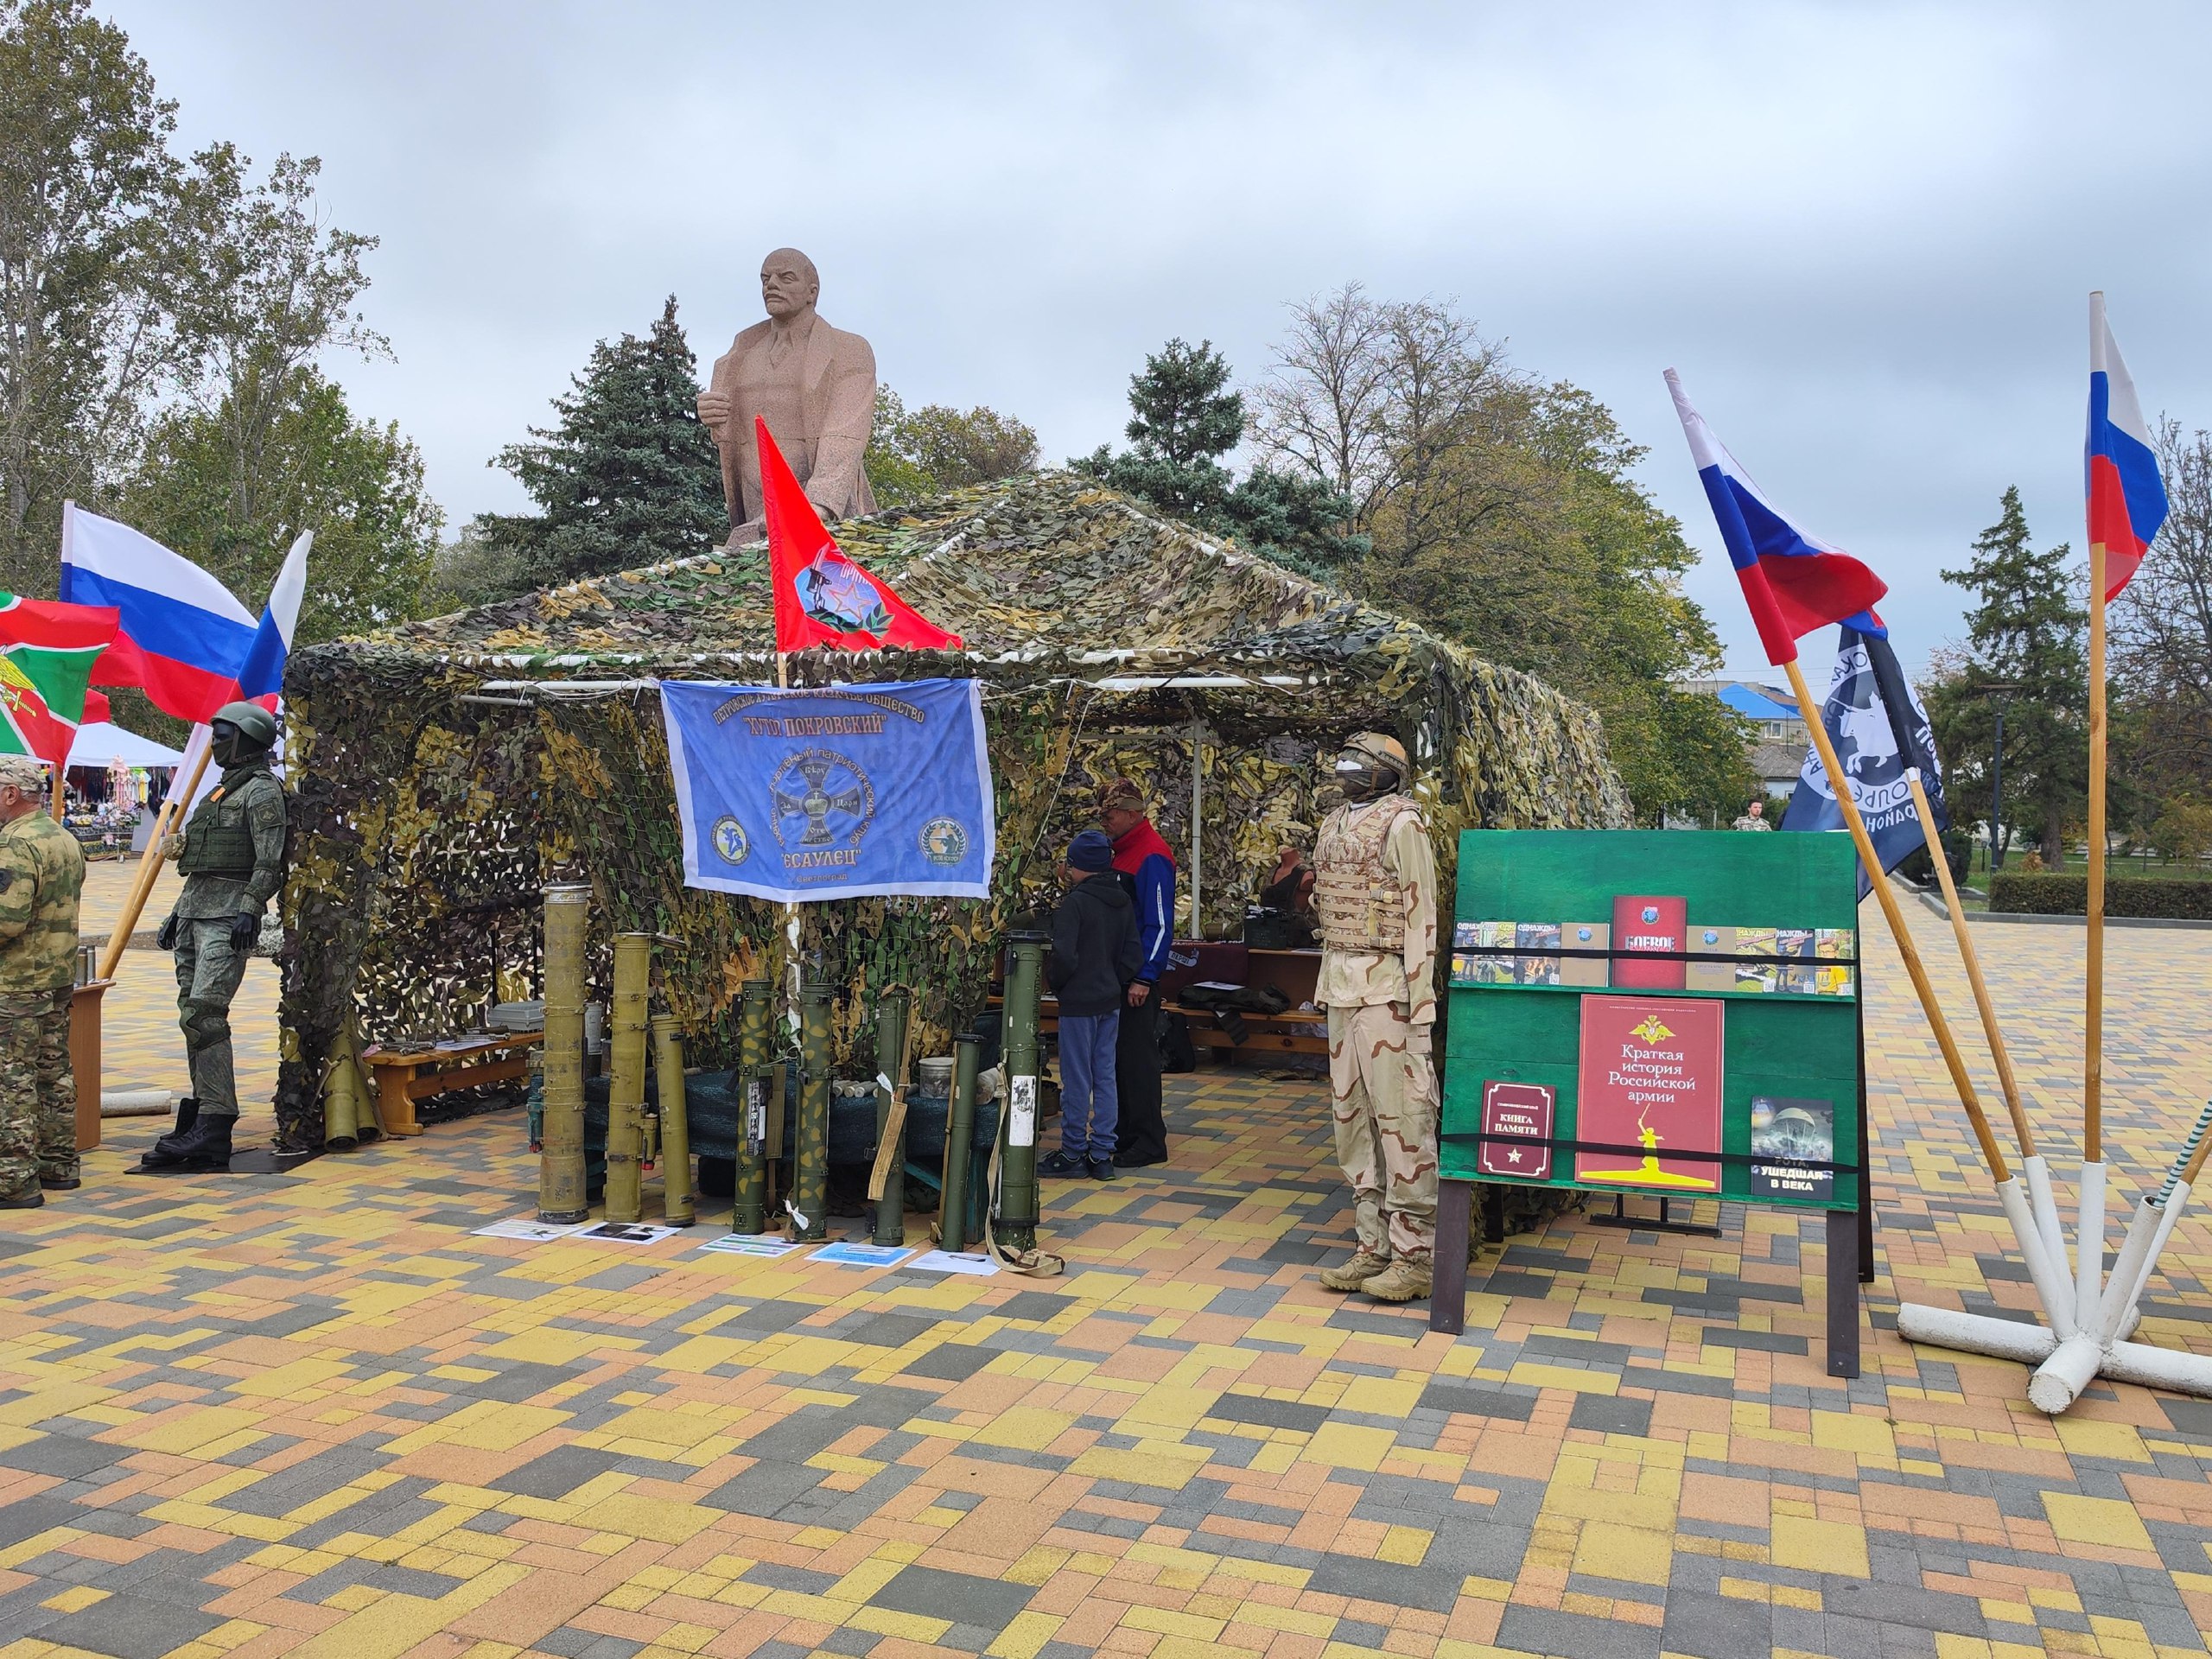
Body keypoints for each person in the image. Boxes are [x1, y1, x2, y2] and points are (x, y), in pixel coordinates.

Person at [1312, 732, 1440, 1303]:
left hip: (1389, 992)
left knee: (1402, 1119)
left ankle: (1416, 1256)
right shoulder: (1335, 822)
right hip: (1342, 988)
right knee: (1353, 1121)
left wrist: (1420, 1000)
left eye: (1359, 762)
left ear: (1387, 772)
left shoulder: (1403, 824)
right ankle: (1373, 1246)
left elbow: (1421, 911)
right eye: (1345, 761)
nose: (1348, 770)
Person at [141, 702, 286, 1174]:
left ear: (247, 739)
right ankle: (203, 1110)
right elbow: (203, 860)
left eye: (223, 737)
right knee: (191, 1015)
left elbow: (270, 859)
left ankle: (217, 1120)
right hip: (195, 911)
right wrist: (176, 912)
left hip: (228, 916)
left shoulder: (262, 793)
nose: (216, 745)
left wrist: (251, 909)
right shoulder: (222, 790)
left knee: (205, 1014)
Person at [696, 248, 879, 542]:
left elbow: (846, 433)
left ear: (812, 292)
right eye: (765, 278)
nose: (771, 285)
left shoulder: (849, 350)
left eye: (785, 278)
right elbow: (732, 434)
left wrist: (816, 504)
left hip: (822, 514)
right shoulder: (740, 353)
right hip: (756, 513)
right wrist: (716, 416)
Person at [0, 757, 86, 1209]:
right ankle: (58, 1164)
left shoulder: (14, 844)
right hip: (55, 976)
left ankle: (14, 1182)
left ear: (11, 794)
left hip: (15, 983)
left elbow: (5, 921)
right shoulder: (62, 837)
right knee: (53, 1071)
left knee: (10, 1079)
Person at [1041, 830, 1140, 1181]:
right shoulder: (1123, 900)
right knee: (1105, 1075)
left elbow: (1064, 956)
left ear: (1077, 866)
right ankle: (1102, 1155)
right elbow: (1132, 954)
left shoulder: (1075, 903)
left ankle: (1072, 1152)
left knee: (1077, 1077)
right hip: (1109, 999)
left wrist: (1059, 984)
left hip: (1079, 1001)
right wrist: (1112, 980)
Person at [1099, 777, 1176, 1167]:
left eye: (1110, 814)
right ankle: (1128, 1136)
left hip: (1135, 979)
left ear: (1133, 813)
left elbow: (1160, 923)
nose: (1104, 821)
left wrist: (1146, 976)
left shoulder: (1151, 854)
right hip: (1118, 976)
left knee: (1137, 1060)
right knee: (1119, 1059)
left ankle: (1148, 1141)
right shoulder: (1120, 850)